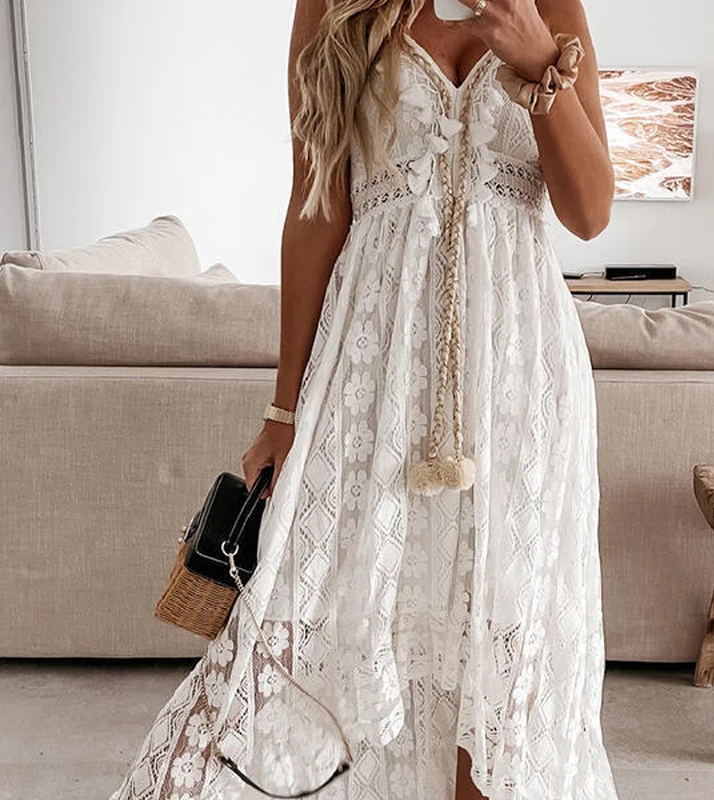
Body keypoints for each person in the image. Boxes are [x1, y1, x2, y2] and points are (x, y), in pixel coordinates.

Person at [110, 0, 619, 797]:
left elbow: (590, 213)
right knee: (328, 606)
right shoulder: (331, 9)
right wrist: (283, 411)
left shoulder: (548, 7)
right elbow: (316, 210)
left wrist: (535, 64)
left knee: (501, 635)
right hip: (371, 367)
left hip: (518, 377)